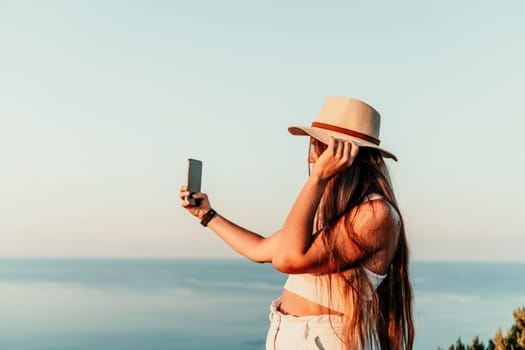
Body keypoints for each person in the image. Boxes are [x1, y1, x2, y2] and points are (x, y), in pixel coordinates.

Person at [180, 96, 414, 350]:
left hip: (322, 340)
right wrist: (207, 215)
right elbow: (260, 249)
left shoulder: (376, 214)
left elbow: (289, 259)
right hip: (292, 334)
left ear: (342, 154)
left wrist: (317, 180)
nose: (311, 159)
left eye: (317, 146)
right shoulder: (337, 212)